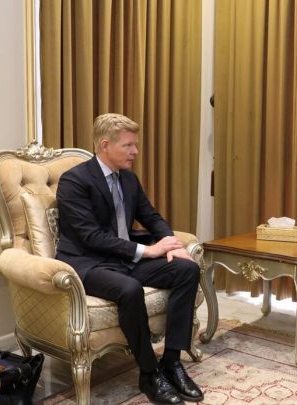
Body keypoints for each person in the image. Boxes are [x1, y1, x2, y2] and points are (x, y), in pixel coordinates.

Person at [55, 113, 203, 404]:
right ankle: (149, 373)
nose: (135, 151)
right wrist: (147, 251)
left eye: (135, 144)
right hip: (89, 262)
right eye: (128, 145)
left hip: (124, 260)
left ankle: (171, 362)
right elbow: (90, 236)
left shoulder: (129, 179)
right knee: (129, 289)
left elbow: (152, 217)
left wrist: (171, 244)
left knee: (187, 269)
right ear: (105, 145)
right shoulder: (74, 181)